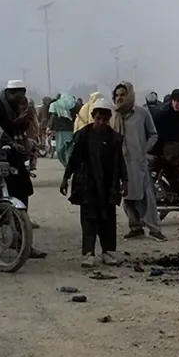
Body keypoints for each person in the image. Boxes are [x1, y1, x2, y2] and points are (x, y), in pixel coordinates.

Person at [60, 98, 128, 267]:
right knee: (88, 219)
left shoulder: (114, 138)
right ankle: (89, 253)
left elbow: (119, 162)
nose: (101, 122)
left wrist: (124, 181)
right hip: (87, 183)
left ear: (109, 118)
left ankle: (108, 252)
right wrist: (65, 178)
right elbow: (74, 160)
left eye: (104, 119)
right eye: (98, 118)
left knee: (108, 219)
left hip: (107, 184)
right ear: (93, 116)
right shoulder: (83, 135)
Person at [0, 80, 47, 246]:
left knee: (22, 191)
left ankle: (21, 236)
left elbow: (10, 131)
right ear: (8, 93)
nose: (19, 99)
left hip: (13, 156)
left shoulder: (18, 106)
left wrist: (22, 122)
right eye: (16, 96)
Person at [111, 82, 166, 242]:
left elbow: (153, 134)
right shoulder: (114, 116)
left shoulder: (141, 113)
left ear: (130, 95)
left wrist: (144, 150)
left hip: (138, 162)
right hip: (121, 162)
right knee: (127, 197)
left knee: (146, 197)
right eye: (117, 95)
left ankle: (155, 230)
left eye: (123, 94)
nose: (120, 98)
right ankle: (135, 228)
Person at [49, 93, 77, 167]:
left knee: (60, 150)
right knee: (69, 150)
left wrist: (51, 128)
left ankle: (67, 165)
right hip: (71, 131)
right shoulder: (74, 106)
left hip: (60, 131)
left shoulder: (56, 106)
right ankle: (68, 165)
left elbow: (53, 118)